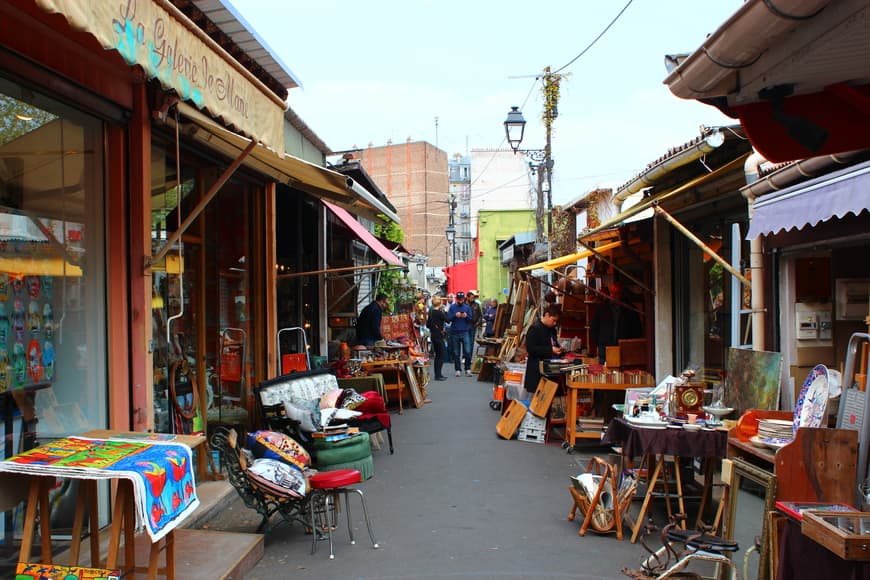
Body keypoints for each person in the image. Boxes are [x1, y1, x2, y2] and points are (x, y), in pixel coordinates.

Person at [589, 281, 643, 364]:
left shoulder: (631, 310)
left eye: (616, 293)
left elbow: (637, 331)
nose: (613, 296)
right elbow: (594, 328)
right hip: (605, 352)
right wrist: (600, 343)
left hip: (624, 352)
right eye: (612, 293)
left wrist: (628, 346)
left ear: (622, 295)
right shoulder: (602, 308)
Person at [523, 304, 565, 397]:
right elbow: (531, 349)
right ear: (546, 315)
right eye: (553, 320)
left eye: (556, 321)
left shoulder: (552, 330)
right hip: (537, 371)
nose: (554, 323)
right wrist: (550, 349)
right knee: (537, 401)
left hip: (550, 370)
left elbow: (553, 343)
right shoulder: (535, 329)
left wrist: (559, 349)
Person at [447, 291, 474, 377]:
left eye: (461, 299)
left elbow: (471, 319)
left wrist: (466, 316)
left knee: (468, 351)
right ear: (456, 299)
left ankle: (467, 368)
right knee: (456, 352)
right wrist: (455, 315)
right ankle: (458, 369)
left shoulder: (467, 307)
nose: (460, 301)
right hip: (454, 332)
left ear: (464, 299)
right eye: (459, 299)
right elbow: (448, 319)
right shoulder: (452, 307)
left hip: (465, 331)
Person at [426, 296, 448, 380]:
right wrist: (445, 311)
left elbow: (428, 325)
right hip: (439, 336)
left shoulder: (431, 313)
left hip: (433, 335)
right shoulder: (439, 313)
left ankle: (437, 374)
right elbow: (447, 319)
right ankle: (438, 375)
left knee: (437, 355)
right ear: (440, 303)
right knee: (441, 355)